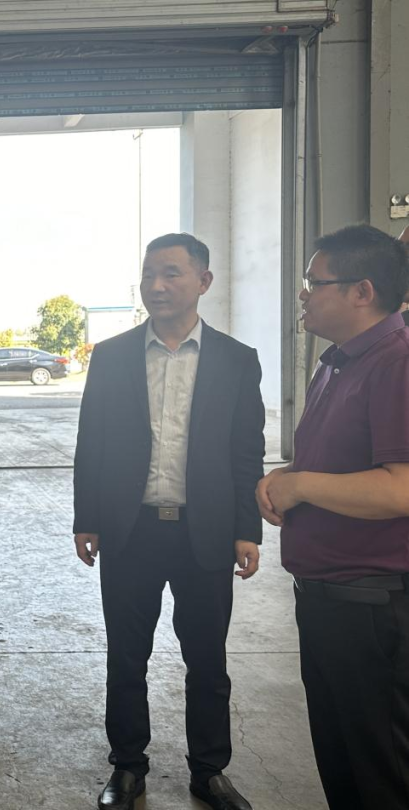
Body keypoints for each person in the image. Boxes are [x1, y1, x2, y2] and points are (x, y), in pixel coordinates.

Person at [73, 234, 265, 810]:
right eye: (149, 274)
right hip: (130, 530)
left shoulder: (236, 360)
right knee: (126, 657)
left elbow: (246, 452)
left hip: (204, 533)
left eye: (172, 273)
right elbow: (91, 442)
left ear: (203, 281)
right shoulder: (112, 357)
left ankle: (209, 770)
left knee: (207, 660)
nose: (157, 286)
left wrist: (247, 528)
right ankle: (127, 767)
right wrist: (87, 518)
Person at [256, 224, 409, 810]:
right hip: (327, 599)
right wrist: (287, 477)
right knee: (342, 763)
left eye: (313, 282)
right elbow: (336, 462)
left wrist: (300, 486)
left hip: (370, 606)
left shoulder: (395, 363)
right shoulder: (337, 363)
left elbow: (400, 487)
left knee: (380, 773)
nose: (303, 294)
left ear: (361, 291)